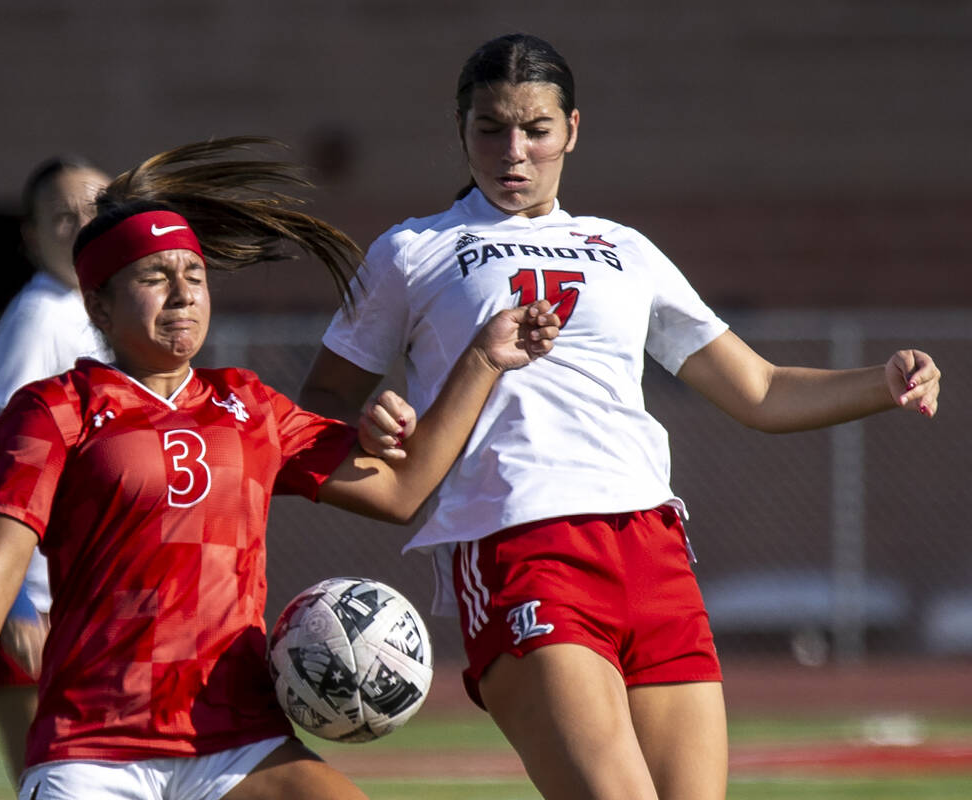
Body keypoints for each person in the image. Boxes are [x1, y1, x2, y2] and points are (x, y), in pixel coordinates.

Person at [298, 33, 942, 800]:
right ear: (461, 130)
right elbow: (321, 401)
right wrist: (373, 417)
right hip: (520, 547)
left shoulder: (626, 250)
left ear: (572, 129)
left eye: (536, 129)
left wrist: (884, 381)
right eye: (490, 128)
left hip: (654, 550)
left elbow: (761, 391)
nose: (514, 150)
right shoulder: (412, 252)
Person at [0, 138, 560, 800]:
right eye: (154, 277)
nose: (182, 294)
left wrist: (482, 359)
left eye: (194, 276)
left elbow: (404, 491)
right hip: (93, 747)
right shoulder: (55, 409)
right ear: (99, 308)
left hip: (239, 742)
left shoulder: (248, 405)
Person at [0, 155, 110, 784]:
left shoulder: (98, 312)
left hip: (67, 594)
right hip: (21, 596)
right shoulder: (44, 314)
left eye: (94, 210)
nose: (79, 225)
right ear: (32, 236)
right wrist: (11, 599)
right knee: (54, 778)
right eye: (61, 216)